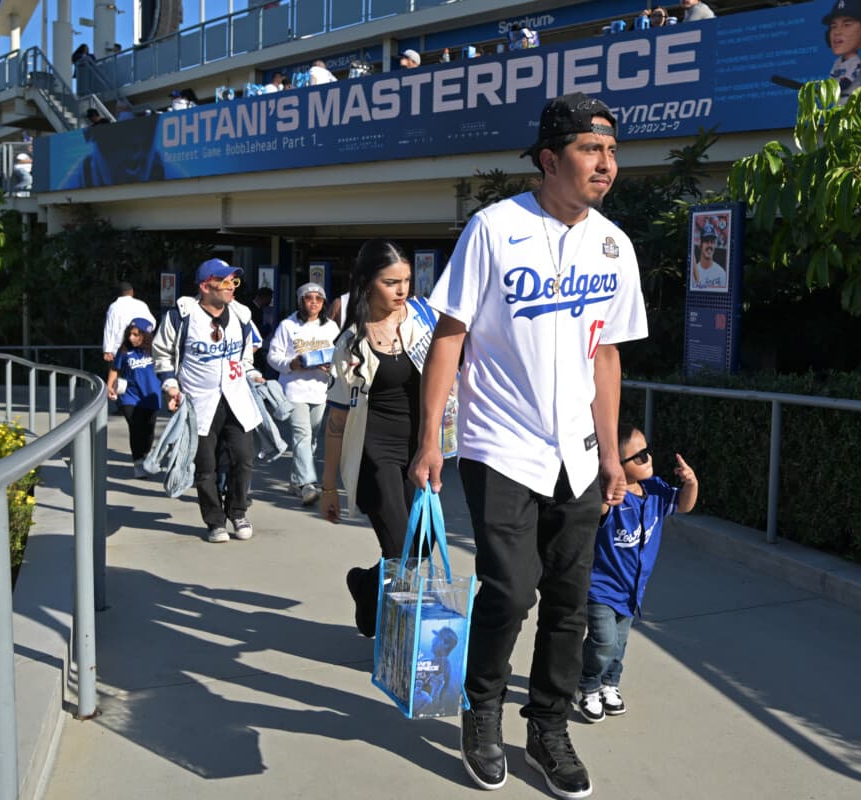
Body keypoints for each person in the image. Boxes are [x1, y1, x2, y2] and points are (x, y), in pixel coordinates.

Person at [409, 92, 648, 799]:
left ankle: (547, 726)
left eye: (612, 151)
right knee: (511, 590)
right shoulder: (494, 228)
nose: (606, 164)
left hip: (578, 451)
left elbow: (607, 356)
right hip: (500, 444)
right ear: (549, 159)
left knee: (570, 599)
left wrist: (611, 456)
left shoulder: (614, 245)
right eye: (590, 149)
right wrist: (430, 439)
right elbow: (450, 335)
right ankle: (481, 712)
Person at [320, 239, 434, 638]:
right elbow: (337, 420)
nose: (402, 290)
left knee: (422, 545)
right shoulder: (351, 342)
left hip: (418, 449)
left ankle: (366, 584)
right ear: (368, 283)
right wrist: (329, 486)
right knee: (400, 546)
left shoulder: (424, 320)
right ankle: (397, 634)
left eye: (406, 281)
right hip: (374, 451)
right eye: (391, 282)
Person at [574, 423, 697, 723]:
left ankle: (609, 683)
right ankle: (587, 684)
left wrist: (691, 483)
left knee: (619, 643)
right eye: (639, 456)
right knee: (604, 641)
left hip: (632, 589)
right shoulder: (610, 497)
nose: (648, 458)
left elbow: (683, 505)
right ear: (617, 463)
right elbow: (594, 509)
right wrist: (606, 485)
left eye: (648, 451)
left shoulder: (655, 490)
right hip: (601, 588)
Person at [153, 258, 266, 543]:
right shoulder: (181, 316)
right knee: (205, 468)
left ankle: (238, 512)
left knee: (244, 459)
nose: (232, 287)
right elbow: (162, 354)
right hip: (199, 404)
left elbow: (245, 356)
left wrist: (253, 375)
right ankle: (215, 522)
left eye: (234, 281)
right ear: (205, 286)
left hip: (236, 399)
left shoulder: (241, 315)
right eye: (225, 282)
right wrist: (171, 386)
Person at [267, 281, 340, 506]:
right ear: (301, 301)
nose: (314, 303)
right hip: (294, 389)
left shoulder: (331, 328)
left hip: (320, 390)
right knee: (302, 435)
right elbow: (273, 356)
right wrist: (292, 363)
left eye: (319, 299)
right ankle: (308, 484)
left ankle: (295, 481)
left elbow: (340, 355)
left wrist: (332, 367)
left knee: (311, 438)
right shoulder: (288, 325)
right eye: (309, 298)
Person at [107, 318, 163, 477]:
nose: (131, 338)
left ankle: (146, 455)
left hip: (151, 396)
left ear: (146, 335)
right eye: (130, 334)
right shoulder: (125, 350)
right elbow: (115, 369)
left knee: (149, 429)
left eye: (136, 334)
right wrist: (109, 386)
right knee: (136, 428)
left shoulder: (156, 350)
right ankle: (138, 462)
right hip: (130, 396)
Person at [823, 0, 861, 105]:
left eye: (847, 24)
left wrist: (830, 90)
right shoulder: (837, 62)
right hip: (838, 101)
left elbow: (845, 83)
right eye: (833, 26)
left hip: (852, 101)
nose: (837, 32)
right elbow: (831, 80)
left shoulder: (856, 61)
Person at [103, 282, 156, 362]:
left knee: (119, 370)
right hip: (140, 349)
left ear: (119, 294)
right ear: (132, 292)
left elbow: (109, 329)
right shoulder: (141, 305)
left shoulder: (114, 307)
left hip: (119, 350)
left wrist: (107, 350)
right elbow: (152, 323)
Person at [691, 219, 727, 290]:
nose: (710, 245)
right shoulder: (693, 271)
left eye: (712, 242)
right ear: (700, 245)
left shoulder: (721, 273)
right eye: (706, 241)